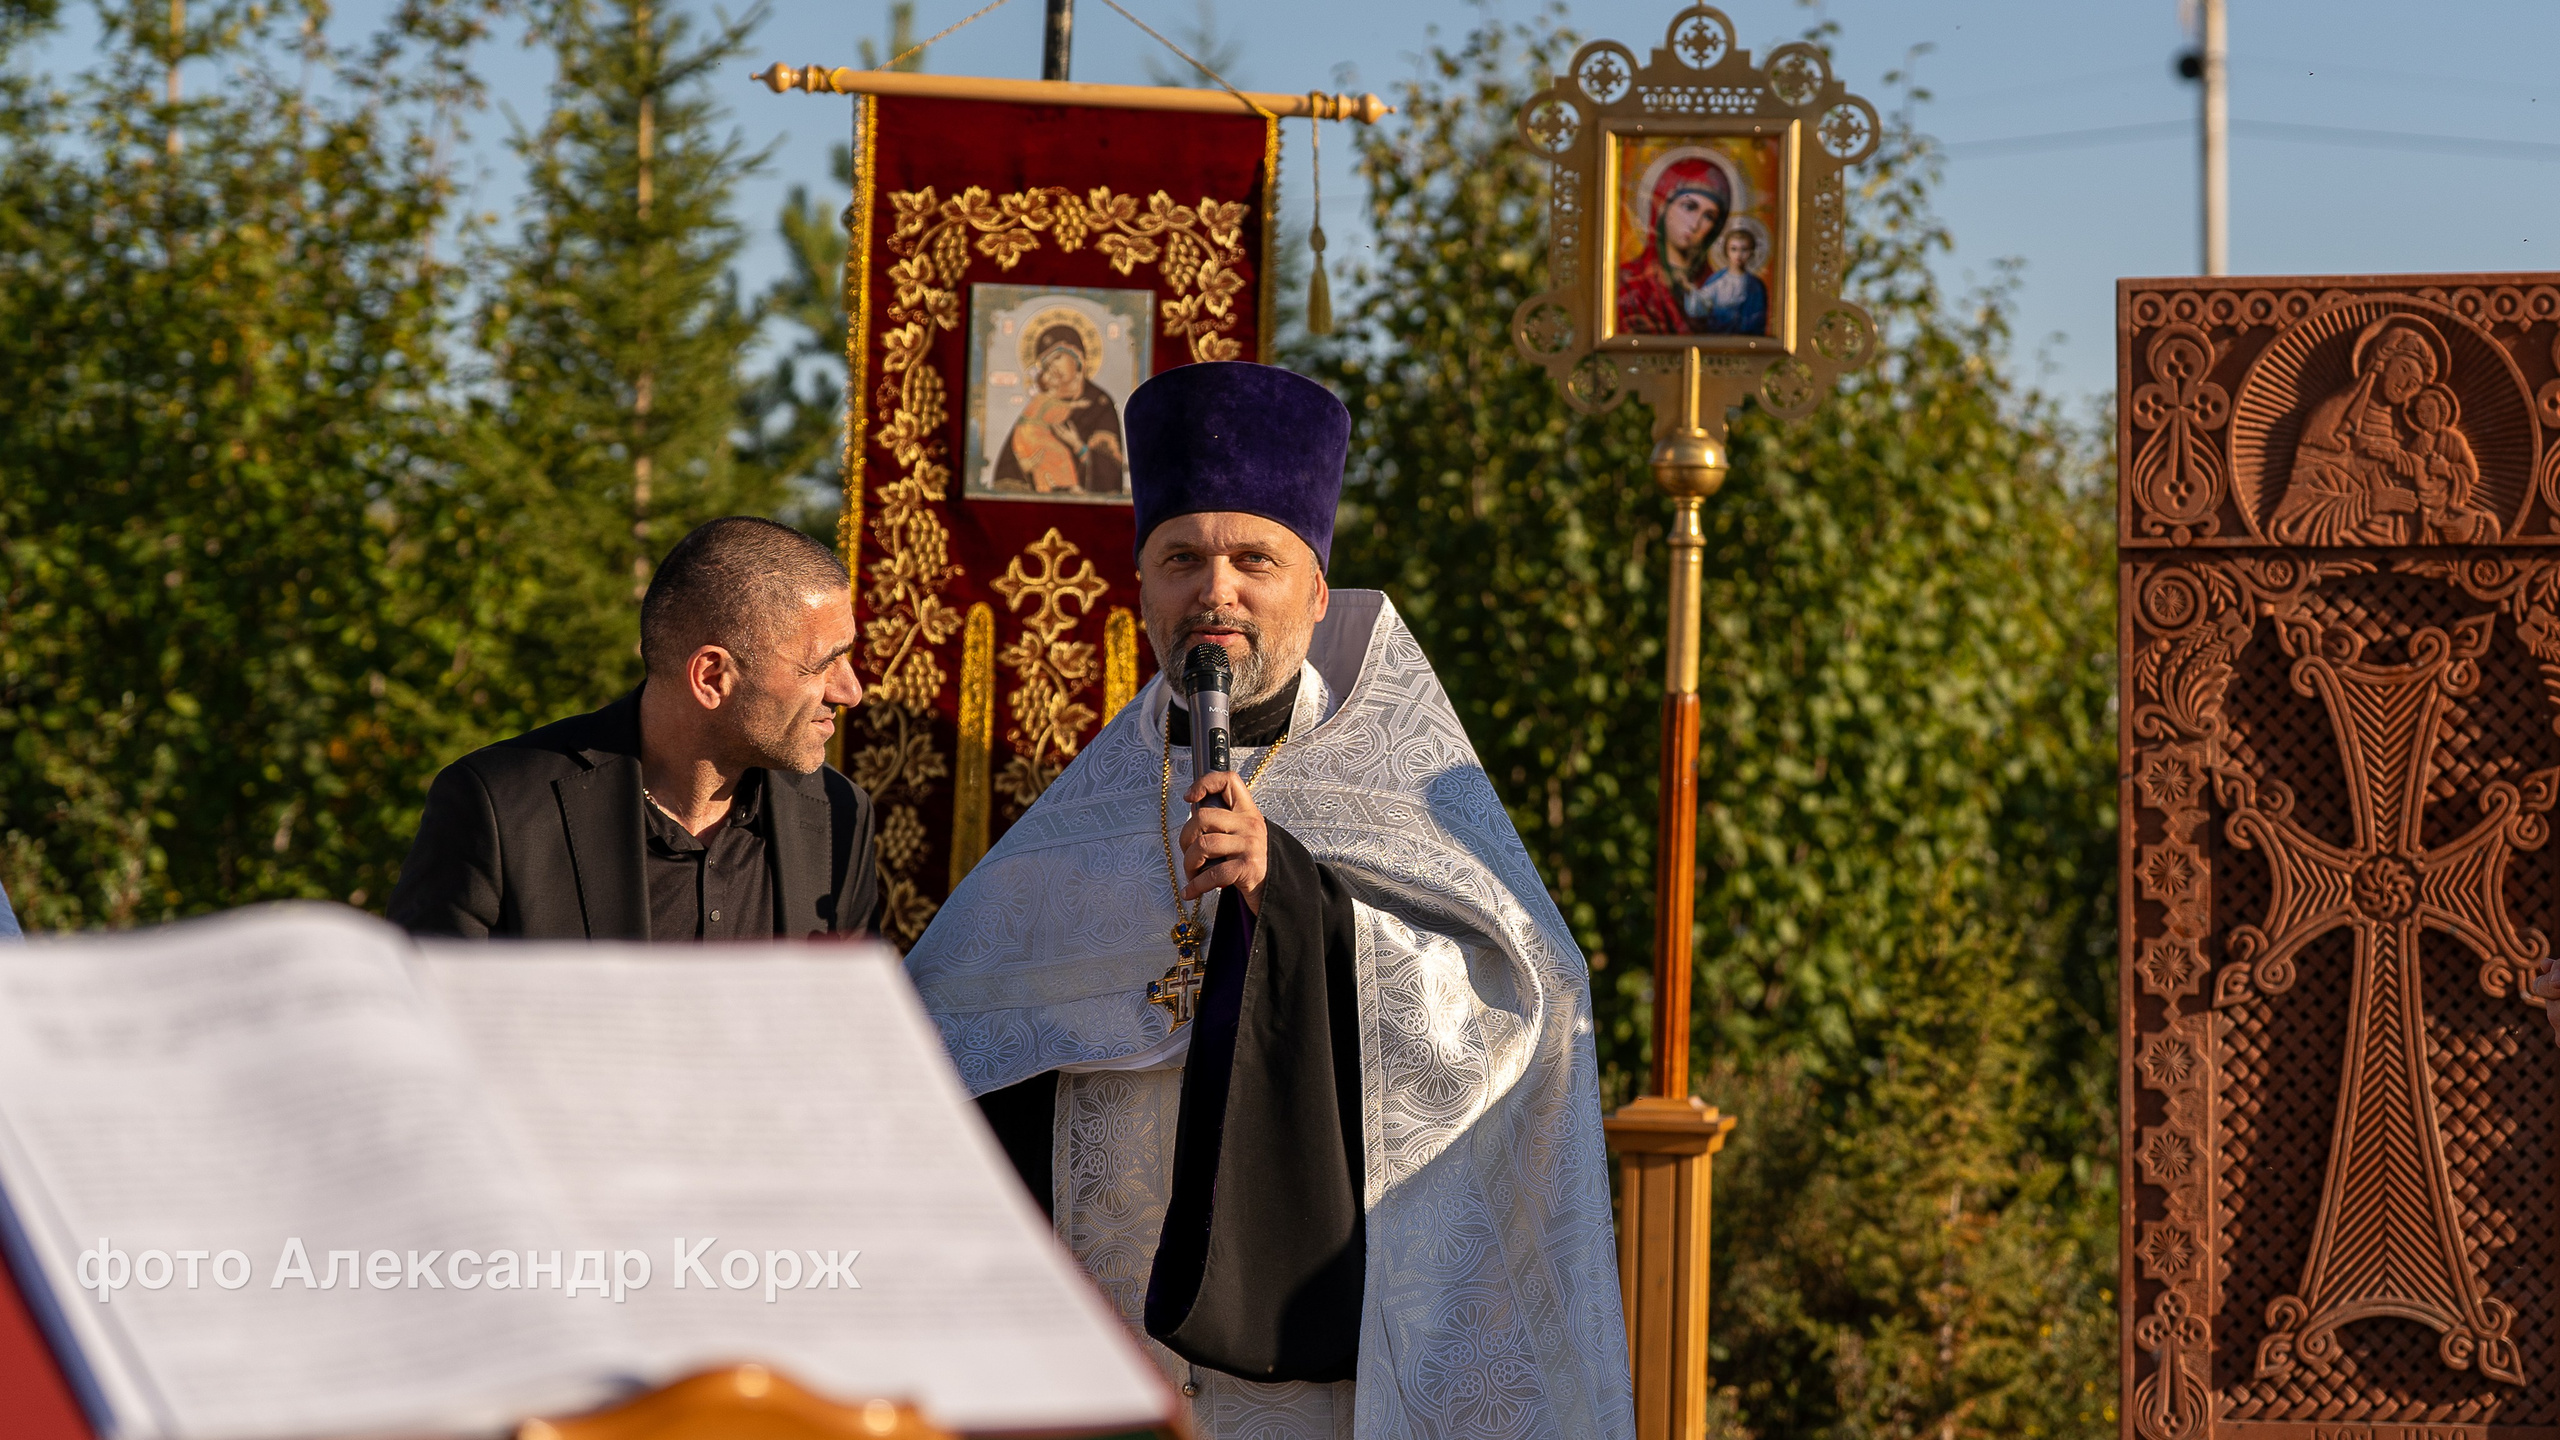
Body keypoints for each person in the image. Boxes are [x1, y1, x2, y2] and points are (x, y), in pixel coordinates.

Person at [906, 361, 1633, 1439]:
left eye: (1255, 559)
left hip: (1316, 1344)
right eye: (1182, 559)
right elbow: (941, 1043)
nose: (1217, 591)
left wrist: (1291, 895)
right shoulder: (1082, 817)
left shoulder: (1401, 786)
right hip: (1105, 1329)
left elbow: (1527, 1006)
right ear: (1141, 588)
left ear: (1315, 592)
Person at [388, 517, 879, 941]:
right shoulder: (501, 809)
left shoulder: (838, 817)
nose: (849, 691)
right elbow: (422, 1024)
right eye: (821, 664)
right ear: (711, 678)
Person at [2269, 320, 2442, 546]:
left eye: (2415, 383)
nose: (2405, 385)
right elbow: (2292, 520)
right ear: (2381, 363)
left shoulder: (2411, 441)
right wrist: (2370, 503)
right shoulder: (2328, 425)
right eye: (2403, 370)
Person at [992, 323, 1127, 496]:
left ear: (1077, 356)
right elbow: (1008, 467)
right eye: (1047, 365)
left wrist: (1079, 446)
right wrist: (1023, 465)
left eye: (1057, 357)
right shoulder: (1041, 404)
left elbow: (1110, 471)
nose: (1053, 368)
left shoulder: (1100, 404)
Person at [1614, 154, 1728, 336]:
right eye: (1689, 207)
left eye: (1709, 216)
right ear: (1662, 206)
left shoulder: (1719, 288)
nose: (1695, 224)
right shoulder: (1625, 282)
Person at [1693, 223, 1769, 335]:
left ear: (1751, 252)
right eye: (1734, 249)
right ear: (1726, 251)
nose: (1738, 254)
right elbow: (1701, 310)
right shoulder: (1716, 281)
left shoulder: (1756, 286)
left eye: (1744, 250)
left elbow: (1758, 319)